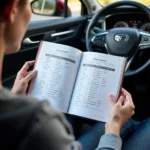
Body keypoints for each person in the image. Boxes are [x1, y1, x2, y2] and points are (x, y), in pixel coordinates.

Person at [0, 0, 136, 150]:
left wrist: (15, 96)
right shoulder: (36, 120)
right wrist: (114, 125)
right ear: (11, 9)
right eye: (28, 4)